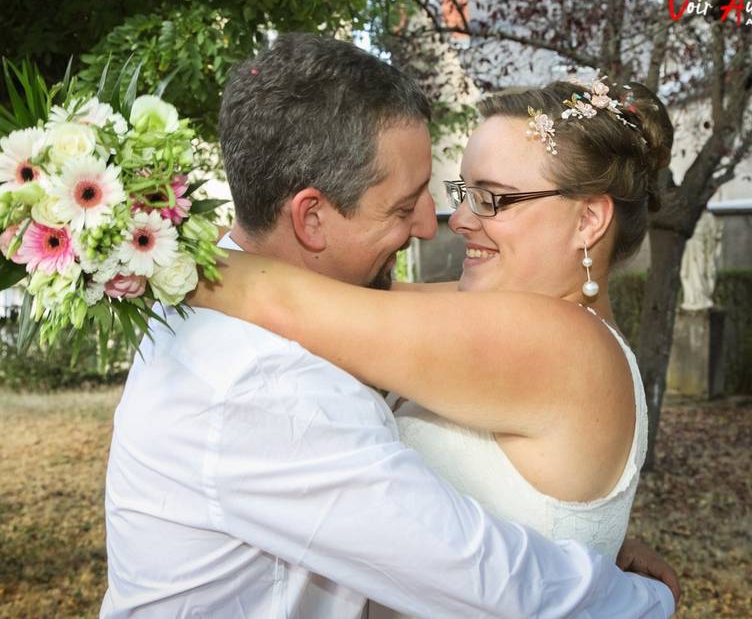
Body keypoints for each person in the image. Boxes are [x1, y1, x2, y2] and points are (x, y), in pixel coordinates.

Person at [102, 33, 676, 618]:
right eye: (463, 193)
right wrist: (585, 544)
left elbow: (292, 301)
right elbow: (354, 303)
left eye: (494, 200)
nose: (452, 221)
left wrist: (137, 248)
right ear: (311, 217)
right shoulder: (508, 326)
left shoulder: (553, 340)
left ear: (589, 219)